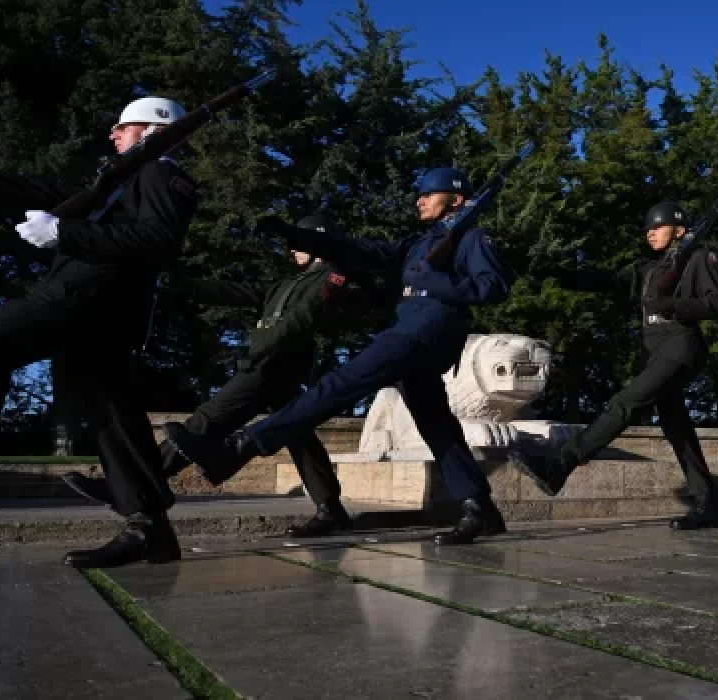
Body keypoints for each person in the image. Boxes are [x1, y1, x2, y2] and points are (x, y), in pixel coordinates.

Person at [162, 167, 514, 544]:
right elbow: (356, 249)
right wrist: (294, 234)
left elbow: (493, 286)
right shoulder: (417, 243)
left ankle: (241, 447)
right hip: (408, 331)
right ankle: (480, 508)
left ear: (456, 200)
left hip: (426, 332)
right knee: (436, 425)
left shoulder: (471, 237)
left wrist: (432, 280)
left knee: (342, 382)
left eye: (429, 194)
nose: (419, 200)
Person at [0, 96, 198, 567]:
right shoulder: (119, 181)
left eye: (123, 127)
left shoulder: (159, 172)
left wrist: (64, 234)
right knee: (113, 416)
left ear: (155, 131)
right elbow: (35, 190)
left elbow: (159, 240)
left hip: (81, 302)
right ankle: (150, 530)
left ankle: (148, 527)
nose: (112, 134)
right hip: (91, 311)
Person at [61, 214, 355, 536]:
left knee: (204, 422)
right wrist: (186, 287)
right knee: (297, 434)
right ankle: (331, 509)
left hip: (272, 367)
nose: (291, 250)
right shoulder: (288, 283)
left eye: (298, 243)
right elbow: (241, 292)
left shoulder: (333, 276)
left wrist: (257, 346)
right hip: (270, 366)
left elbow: (302, 319)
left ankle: (131, 486)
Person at [515, 201, 718, 530]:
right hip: (655, 352)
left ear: (680, 230)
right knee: (676, 426)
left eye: (657, 227)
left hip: (681, 346)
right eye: (647, 229)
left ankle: (561, 464)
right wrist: (554, 273)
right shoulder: (647, 268)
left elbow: (717, 303)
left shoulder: (700, 257)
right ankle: (707, 505)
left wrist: (671, 305)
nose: (650, 233)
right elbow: (606, 281)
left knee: (626, 402)